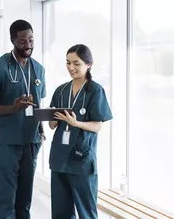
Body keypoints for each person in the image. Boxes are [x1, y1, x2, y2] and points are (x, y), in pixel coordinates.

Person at [0, 19, 47, 219]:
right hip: (7, 141)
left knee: (25, 197)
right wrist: (12, 107)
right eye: (22, 41)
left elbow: (38, 104)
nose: (28, 45)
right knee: (5, 196)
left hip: (31, 140)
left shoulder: (39, 69)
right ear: (12, 40)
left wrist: (41, 132)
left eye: (31, 40)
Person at [48, 44, 113, 219]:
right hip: (60, 158)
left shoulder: (95, 90)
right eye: (68, 63)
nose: (71, 68)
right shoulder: (61, 90)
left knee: (86, 212)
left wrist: (76, 123)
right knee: (60, 212)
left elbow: (97, 125)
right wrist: (50, 116)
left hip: (81, 159)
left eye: (76, 63)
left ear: (88, 64)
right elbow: (52, 126)